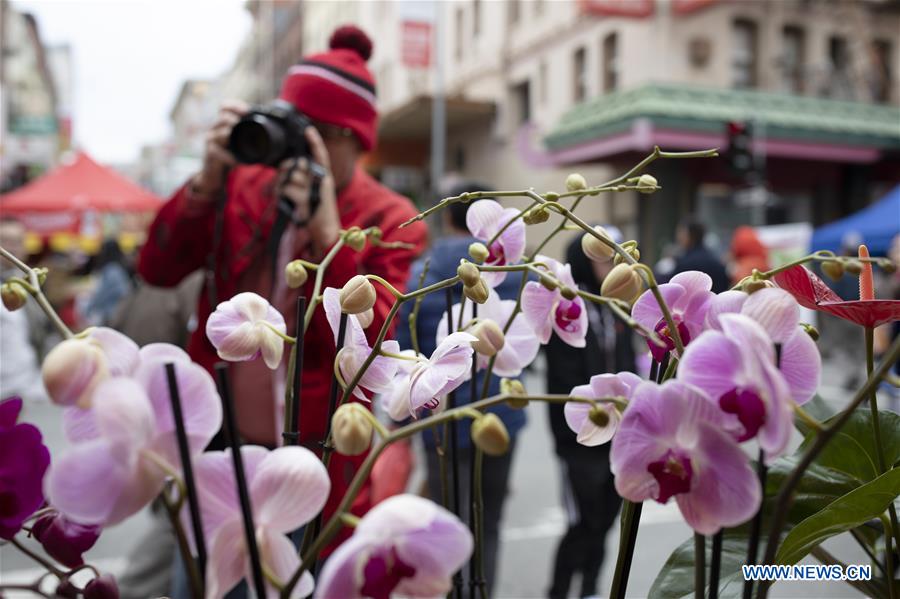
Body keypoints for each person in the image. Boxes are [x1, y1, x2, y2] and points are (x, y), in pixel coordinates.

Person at [137, 24, 427, 591]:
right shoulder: (243, 186)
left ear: (356, 140)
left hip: (309, 465)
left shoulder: (390, 217)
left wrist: (327, 231)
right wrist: (204, 184)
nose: (299, 146)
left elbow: (370, 346)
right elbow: (157, 268)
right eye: (292, 125)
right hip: (218, 449)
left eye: (318, 132)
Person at [395, 183, 526, 596]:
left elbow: (404, 349)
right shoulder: (511, 273)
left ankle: (452, 591)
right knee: (489, 519)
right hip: (498, 409)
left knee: (448, 523)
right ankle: (481, 591)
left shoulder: (421, 273)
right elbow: (523, 346)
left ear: (447, 217)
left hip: (442, 416)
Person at [545, 230, 636, 599]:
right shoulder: (567, 305)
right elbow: (562, 378)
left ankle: (592, 591)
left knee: (605, 523)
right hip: (579, 439)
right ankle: (559, 591)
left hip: (618, 438)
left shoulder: (616, 308)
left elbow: (629, 363)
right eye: (602, 256)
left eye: (614, 256)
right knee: (580, 522)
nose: (610, 264)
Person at [660, 217, 729, 293]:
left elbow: (670, 290)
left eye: (680, 233)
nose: (678, 237)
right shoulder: (716, 262)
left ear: (689, 235)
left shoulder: (684, 264)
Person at [83, 238, 133, 325]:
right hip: (120, 313)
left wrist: (89, 308)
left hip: (112, 314)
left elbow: (102, 293)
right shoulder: (119, 268)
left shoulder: (112, 270)